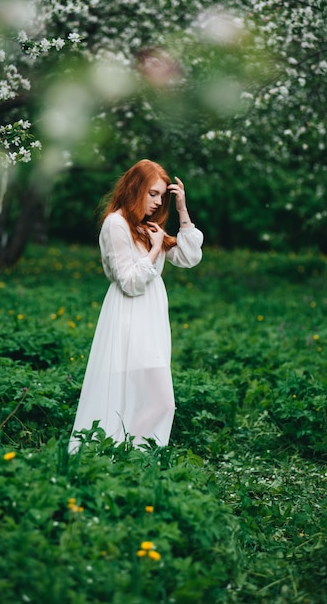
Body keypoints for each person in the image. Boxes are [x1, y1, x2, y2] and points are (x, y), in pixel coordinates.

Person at [68, 159, 203, 453]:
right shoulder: (115, 223)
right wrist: (155, 250)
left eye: (161, 196)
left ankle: (134, 454)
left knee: (155, 396)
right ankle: (120, 454)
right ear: (135, 188)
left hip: (150, 315)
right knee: (144, 394)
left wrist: (181, 209)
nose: (157, 202)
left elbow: (189, 257)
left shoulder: (146, 225)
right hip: (128, 315)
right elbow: (128, 282)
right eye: (152, 194)